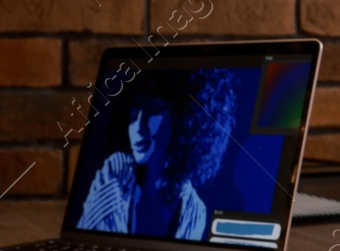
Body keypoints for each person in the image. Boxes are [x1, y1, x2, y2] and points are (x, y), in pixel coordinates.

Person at [77, 69, 236, 241]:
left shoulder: (194, 210)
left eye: (154, 110)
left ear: (184, 117)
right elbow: (83, 240)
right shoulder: (115, 171)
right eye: (134, 111)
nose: (138, 126)